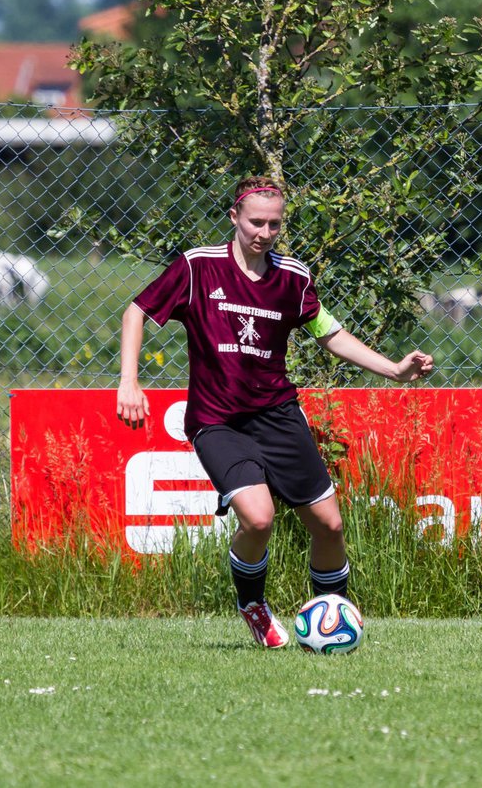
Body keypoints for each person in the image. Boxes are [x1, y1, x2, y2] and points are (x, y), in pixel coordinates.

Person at [117, 175, 434, 648]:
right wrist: (129, 380)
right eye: (255, 223)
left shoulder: (293, 277)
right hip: (217, 420)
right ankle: (252, 604)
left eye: (274, 224)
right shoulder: (197, 268)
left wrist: (392, 369)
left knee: (330, 525)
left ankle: (333, 617)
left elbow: (329, 332)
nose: (264, 233)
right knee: (258, 519)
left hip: (278, 415)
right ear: (234, 218)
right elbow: (136, 311)